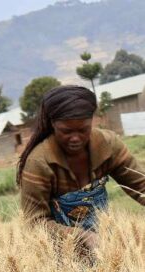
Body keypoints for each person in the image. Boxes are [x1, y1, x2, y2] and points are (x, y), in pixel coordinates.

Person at [18, 85, 145, 250]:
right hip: (59, 251)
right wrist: (80, 235)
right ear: (52, 125)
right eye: (66, 131)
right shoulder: (39, 163)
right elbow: (35, 223)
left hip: (104, 244)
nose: (75, 138)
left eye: (83, 130)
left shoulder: (108, 145)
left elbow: (141, 186)